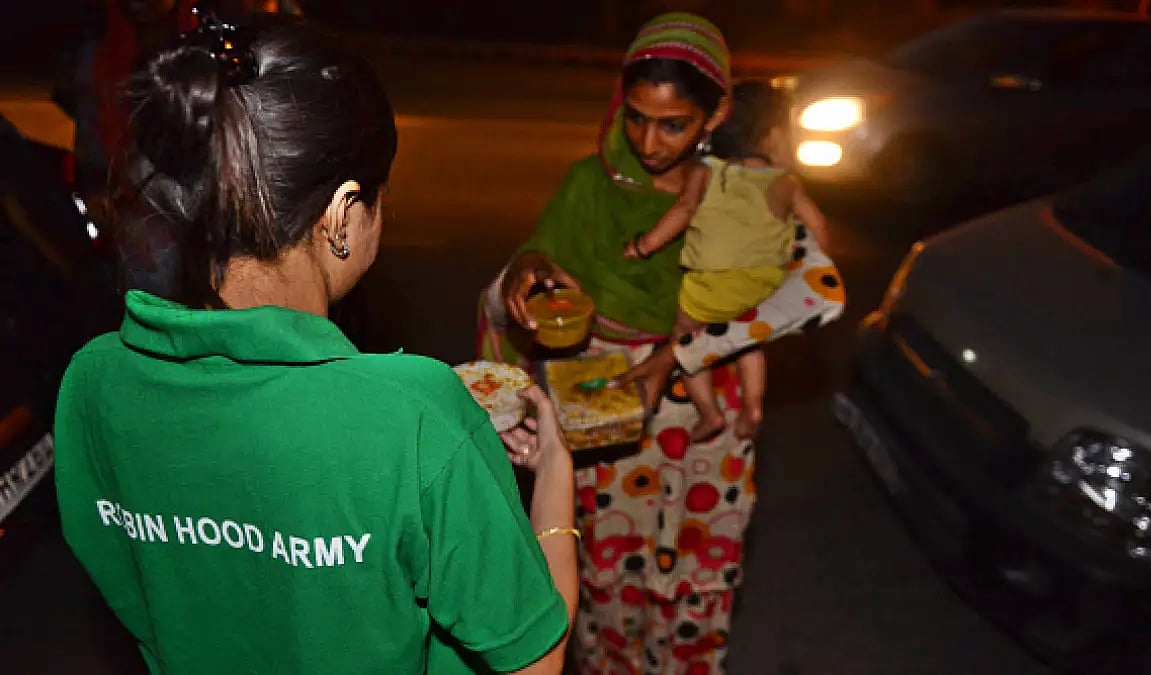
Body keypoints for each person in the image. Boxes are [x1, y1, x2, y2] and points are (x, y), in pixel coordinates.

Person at [54, 16, 578, 674]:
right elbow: (536, 657)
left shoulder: (93, 386)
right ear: (341, 212)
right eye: (378, 196)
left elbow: (147, 598)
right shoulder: (415, 417)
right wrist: (555, 474)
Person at [477, 12, 846, 674]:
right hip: (605, 411)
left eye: (672, 123)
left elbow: (817, 293)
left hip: (708, 422)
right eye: (637, 116)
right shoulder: (587, 185)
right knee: (607, 576)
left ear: (716, 112)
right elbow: (535, 265)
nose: (649, 140)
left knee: (700, 583)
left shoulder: (751, 191)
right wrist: (527, 268)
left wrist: (675, 355)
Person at [621, 81, 830, 442]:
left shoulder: (706, 172)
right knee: (749, 341)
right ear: (771, 138)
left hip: (711, 286)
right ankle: (753, 406)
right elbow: (817, 224)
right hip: (763, 284)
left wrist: (644, 245)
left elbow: (683, 211)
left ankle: (710, 413)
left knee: (686, 340)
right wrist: (815, 265)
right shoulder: (785, 182)